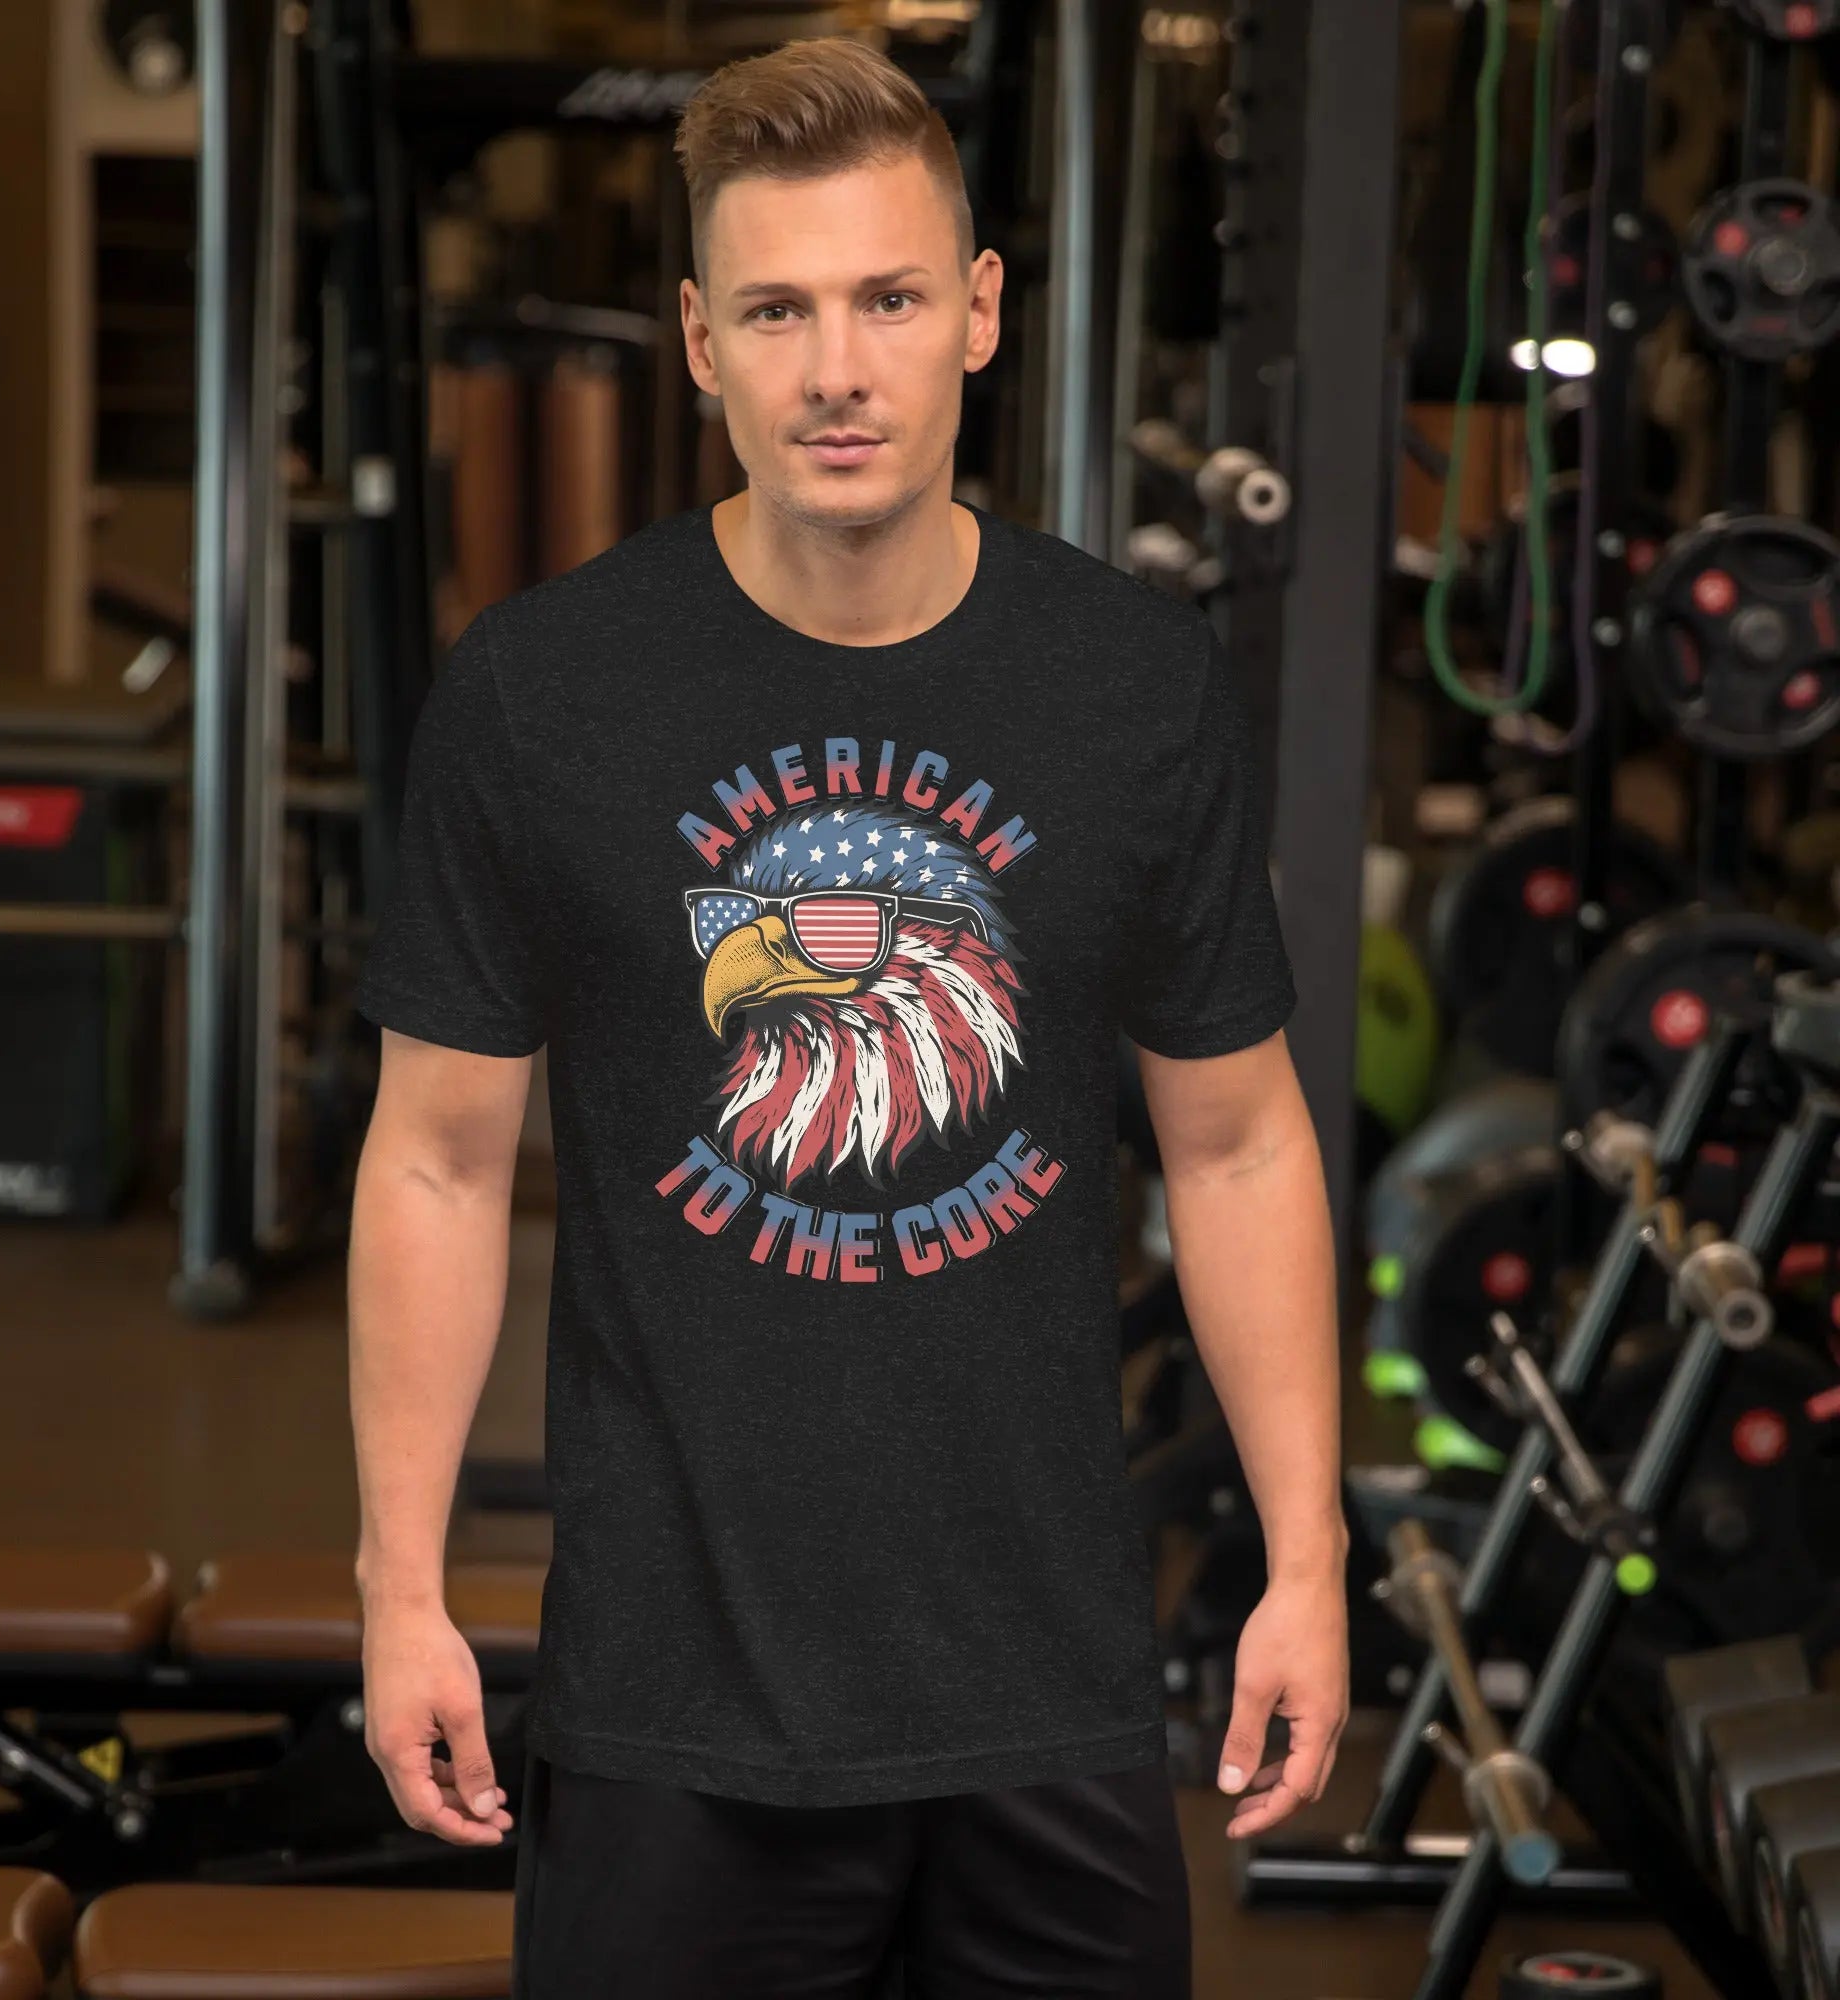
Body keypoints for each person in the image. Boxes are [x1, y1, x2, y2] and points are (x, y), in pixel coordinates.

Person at [348, 33, 1345, 1999]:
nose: (836, 369)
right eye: (780, 310)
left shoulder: (1133, 692)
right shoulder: (545, 697)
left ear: (976, 315)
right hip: (672, 1701)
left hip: (1045, 1691)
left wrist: (1304, 1565)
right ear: (700, 339)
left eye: (888, 297)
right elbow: (438, 1159)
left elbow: (1237, 1138)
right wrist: (400, 1587)